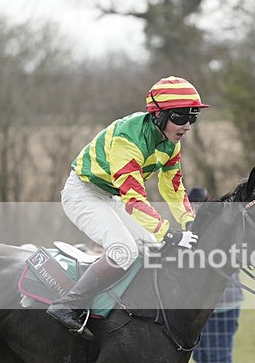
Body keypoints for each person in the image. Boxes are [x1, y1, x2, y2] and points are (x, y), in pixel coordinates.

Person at [47, 76, 208, 338]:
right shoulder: (127, 138)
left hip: (112, 197)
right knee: (125, 251)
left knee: (155, 248)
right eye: (180, 117)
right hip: (84, 194)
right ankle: (67, 304)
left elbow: (173, 186)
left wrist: (188, 221)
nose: (187, 126)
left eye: (193, 117)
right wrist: (168, 231)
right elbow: (133, 197)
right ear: (158, 116)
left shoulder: (171, 143)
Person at [188, 187, 244, 363]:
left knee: (219, 355)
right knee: (201, 355)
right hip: (199, 307)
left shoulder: (220, 227)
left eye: (196, 205)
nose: (193, 209)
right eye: (190, 205)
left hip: (224, 303)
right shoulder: (190, 227)